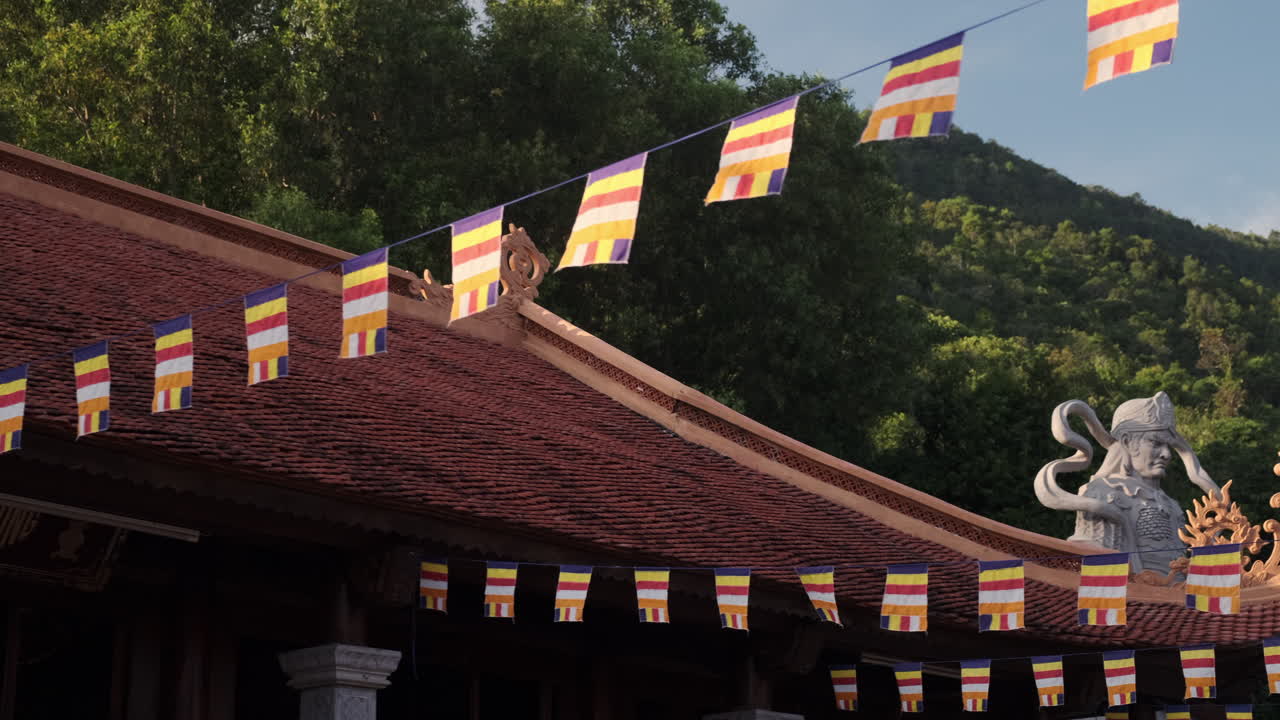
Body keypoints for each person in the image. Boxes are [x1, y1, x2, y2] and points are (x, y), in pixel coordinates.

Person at [1034, 392, 1219, 574]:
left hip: (1180, 591)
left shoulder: (1171, 503)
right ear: (1126, 441)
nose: (1167, 454)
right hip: (1130, 592)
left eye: (1168, 446)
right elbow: (1099, 567)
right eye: (1156, 443)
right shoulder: (1104, 492)